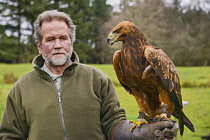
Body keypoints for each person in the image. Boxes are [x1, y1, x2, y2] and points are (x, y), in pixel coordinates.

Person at [0, 10, 178, 140]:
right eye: (50, 39)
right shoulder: (21, 88)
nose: (58, 45)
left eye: (63, 38)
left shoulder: (97, 79)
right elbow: (10, 135)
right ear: (39, 46)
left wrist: (137, 135)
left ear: (71, 42)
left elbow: (113, 124)